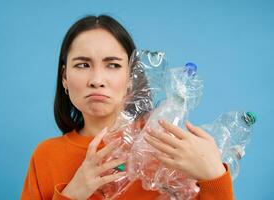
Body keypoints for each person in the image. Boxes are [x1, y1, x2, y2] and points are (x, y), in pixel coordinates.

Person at [20, 15, 234, 200]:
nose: (97, 80)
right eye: (83, 65)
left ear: (132, 77)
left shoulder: (166, 146)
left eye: (112, 65)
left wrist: (214, 176)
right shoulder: (46, 156)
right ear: (64, 77)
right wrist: (74, 192)